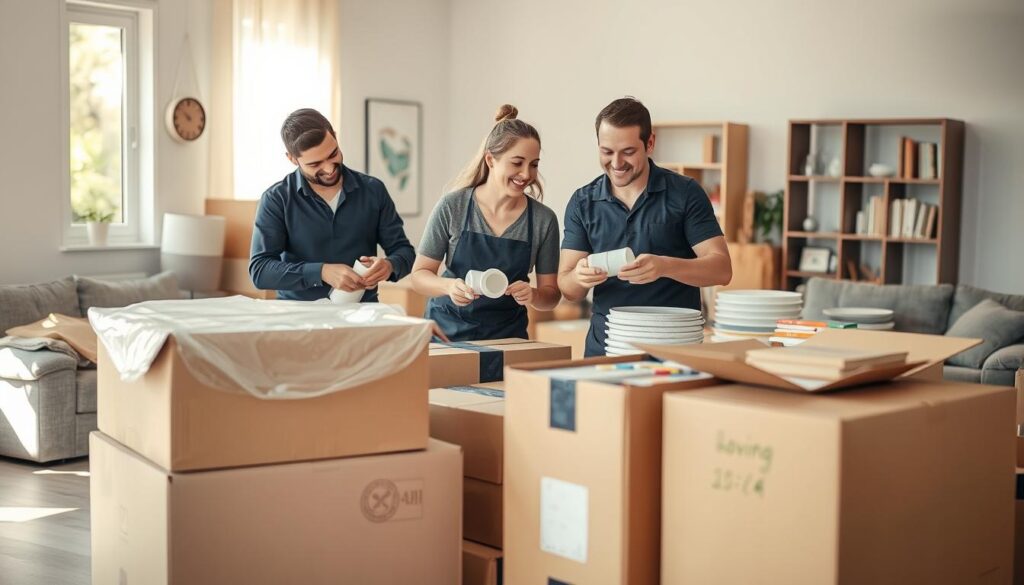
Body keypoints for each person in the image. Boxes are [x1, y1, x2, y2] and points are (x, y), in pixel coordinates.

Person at [558, 97, 732, 356]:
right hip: (605, 349)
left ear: (650, 143)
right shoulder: (583, 202)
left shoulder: (685, 193)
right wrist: (579, 278)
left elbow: (721, 269)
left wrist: (666, 266)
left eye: (628, 152)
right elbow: (567, 287)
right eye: (607, 152)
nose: (616, 163)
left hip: (673, 349)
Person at [411, 104, 561, 341]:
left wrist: (532, 294)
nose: (526, 174)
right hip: (447, 336)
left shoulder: (544, 220)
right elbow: (419, 276)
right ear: (491, 160)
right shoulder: (453, 206)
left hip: (507, 340)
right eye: (517, 162)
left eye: (534, 164)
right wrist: (448, 287)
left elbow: (551, 296)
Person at [249, 108, 415, 301]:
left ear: (335, 137)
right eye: (315, 164)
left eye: (333, 154)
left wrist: (390, 265)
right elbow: (260, 271)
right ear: (292, 159)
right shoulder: (276, 199)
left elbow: (405, 252)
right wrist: (321, 272)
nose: (329, 169)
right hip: (298, 317)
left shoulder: (373, 190)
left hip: (361, 314)